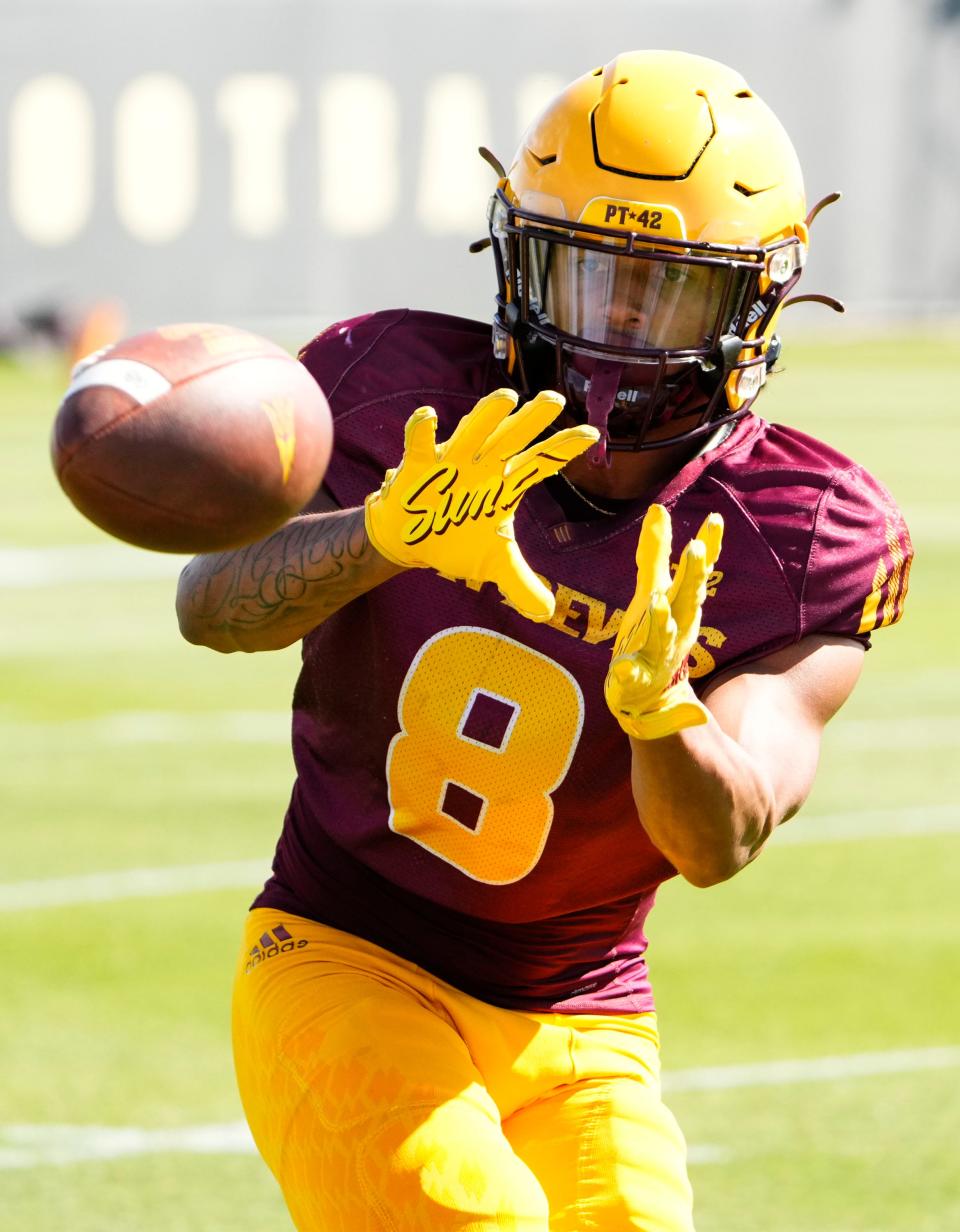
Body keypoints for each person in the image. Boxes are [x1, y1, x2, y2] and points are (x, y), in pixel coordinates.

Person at [176, 50, 912, 1232]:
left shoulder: (803, 531)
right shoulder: (399, 392)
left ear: (751, 306)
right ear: (520, 257)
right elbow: (209, 607)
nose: (615, 317)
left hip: (585, 1016)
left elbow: (720, 840)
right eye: (586, 271)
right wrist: (381, 534)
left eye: (661, 286)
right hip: (343, 951)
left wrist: (661, 711)